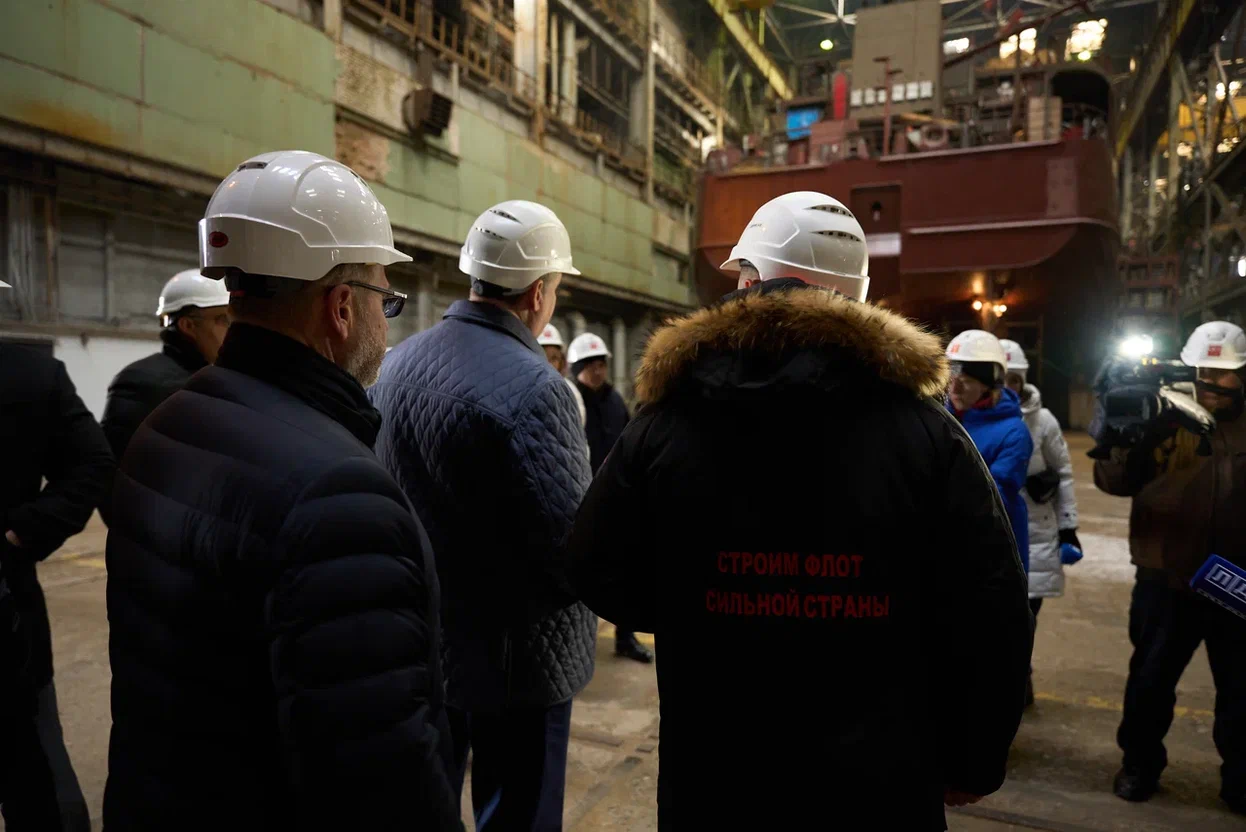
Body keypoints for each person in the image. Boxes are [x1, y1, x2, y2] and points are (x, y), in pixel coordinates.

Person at [566, 191, 1033, 829]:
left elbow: (591, 564)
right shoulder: (927, 433)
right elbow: (990, 604)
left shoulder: (666, 422)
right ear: (858, 296)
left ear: (750, 281)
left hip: (716, 775)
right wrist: (974, 757)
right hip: (877, 782)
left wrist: (695, 609)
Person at [103, 151, 459, 830]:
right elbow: (379, 782)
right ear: (341, 308)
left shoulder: (164, 427)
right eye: (386, 300)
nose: (388, 323)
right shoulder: (339, 495)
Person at [371, 200, 595, 831]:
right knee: (517, 814)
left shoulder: (395, 365)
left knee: (429, 802)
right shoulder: (540, 389)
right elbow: (570, 550)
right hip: (520, 665)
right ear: (538, 293)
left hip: (426, 644)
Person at [1095, 320, 1246, 813]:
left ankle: (1241, 779)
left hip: (1235, 581)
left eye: (1221, 374)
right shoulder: (1163, 414)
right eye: (1201, 372)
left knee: (1241, 689)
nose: (1210, 382)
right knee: (1151, 680)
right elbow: (1113, 481)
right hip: (1165, 575)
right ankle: (1139, 766)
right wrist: (1126, 432)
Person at [0, 277, 112, 832]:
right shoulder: (32, 374)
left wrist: (21, 533)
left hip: (9, 612)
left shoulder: (30, 376)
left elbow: (93, 466)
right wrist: (21, 533)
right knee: (36, 774)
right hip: (9, 612)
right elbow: (93, 465)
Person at [1000, 340, 1080, 708]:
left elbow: (1063, 472)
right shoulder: (968, 416)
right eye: (1000, 379)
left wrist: (1068, 527)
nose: (1007, 387)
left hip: (1036, 531)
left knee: (1024, 615)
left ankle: (1019, 676)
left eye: (1013, 380)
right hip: (994, 528)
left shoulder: (1042, 421)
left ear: (1022, 381)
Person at [567, 331, 653, 664]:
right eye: (591, 365)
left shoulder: (615, 400)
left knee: (625, 568)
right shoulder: (569, 400)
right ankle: (577, 640)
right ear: (578, 368)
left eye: (601, 364)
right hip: (579, 497)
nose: (598, 370)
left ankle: (625, 637)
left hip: (615, 496)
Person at [100, 270, 230, 464]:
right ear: (188, 326)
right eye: (224, 320)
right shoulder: (142, 381)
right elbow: (115, 463)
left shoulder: (214, 379)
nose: (231, 331)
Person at [946, 330, 1033, 573]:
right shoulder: (939, 420)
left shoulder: (1013, 432)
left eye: (966, 381)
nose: (954, 388)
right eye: (950, 379)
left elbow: (995, 498)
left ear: (989, 384)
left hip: (991, 553)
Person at [538, 323, 587, 426]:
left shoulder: (570, 391)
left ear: (562, 361)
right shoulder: (523, 389)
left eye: (554, 358)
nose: (548, 363)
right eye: (542, 355)